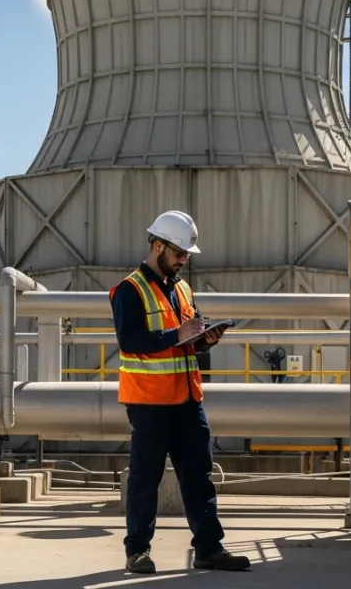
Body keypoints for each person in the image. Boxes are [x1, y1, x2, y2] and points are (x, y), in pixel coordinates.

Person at [109, 211, 251, 574]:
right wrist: (180, 334)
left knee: (198, 476)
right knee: (145, 478)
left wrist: (205, 340)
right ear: (158, 246)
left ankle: (208, 549)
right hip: (149, 403)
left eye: (186, 255)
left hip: (187, 401)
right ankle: (137, 551)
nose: (184, 260)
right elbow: (131, 341)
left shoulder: (183, 289)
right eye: (179, 253)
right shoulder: (129, 290)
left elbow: (188, 341)